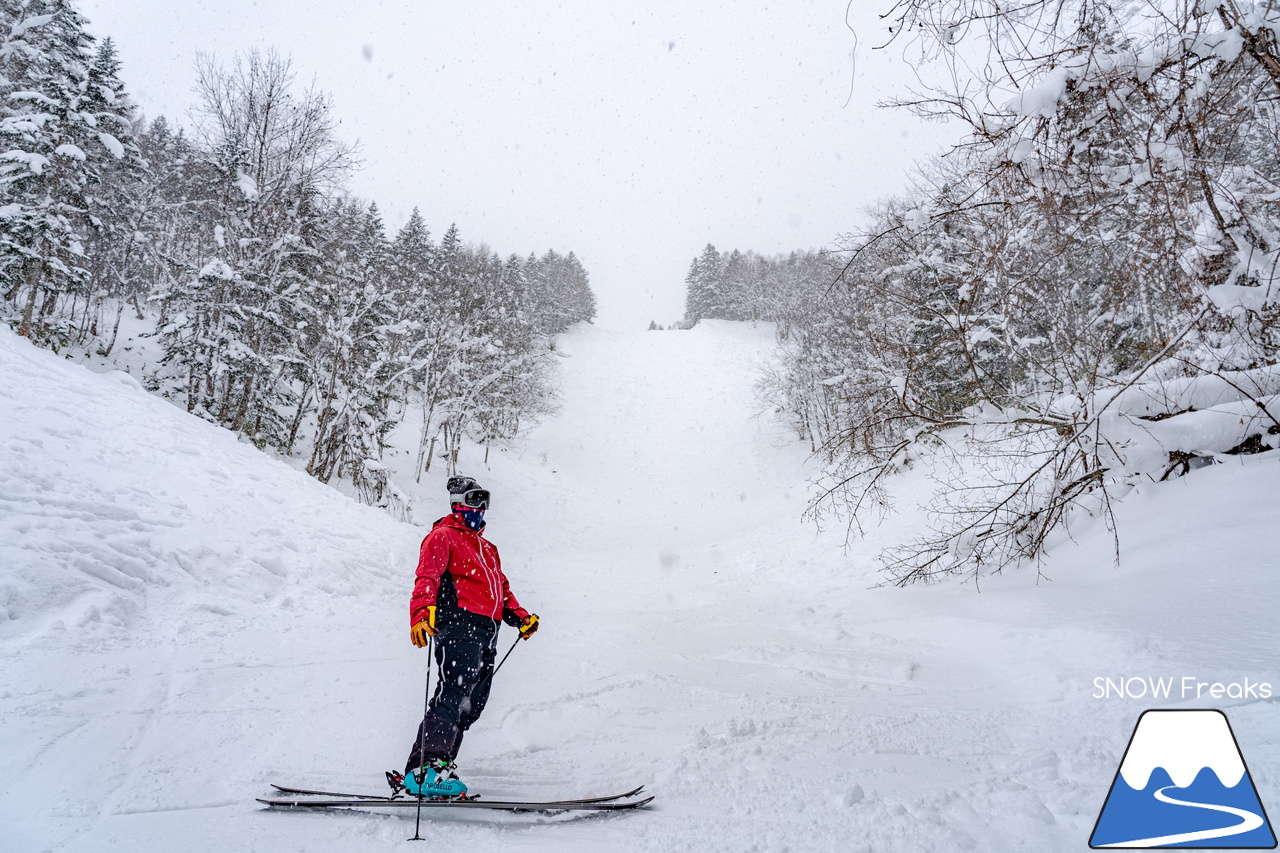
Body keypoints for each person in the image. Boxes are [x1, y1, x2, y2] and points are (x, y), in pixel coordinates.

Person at [399, 475, 539, 798]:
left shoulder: (488, 549)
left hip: (487, 631)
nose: (482, 507)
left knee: (471, 703)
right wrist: (421, 615)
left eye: (485, 500)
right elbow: (427, 578)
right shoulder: (443, 536)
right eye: (476, 499)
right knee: (454, 692)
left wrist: (520, 618)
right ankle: (424, 769)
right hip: (458, 624)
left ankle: (440, 767)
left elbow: (501, 590)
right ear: (458, 503)